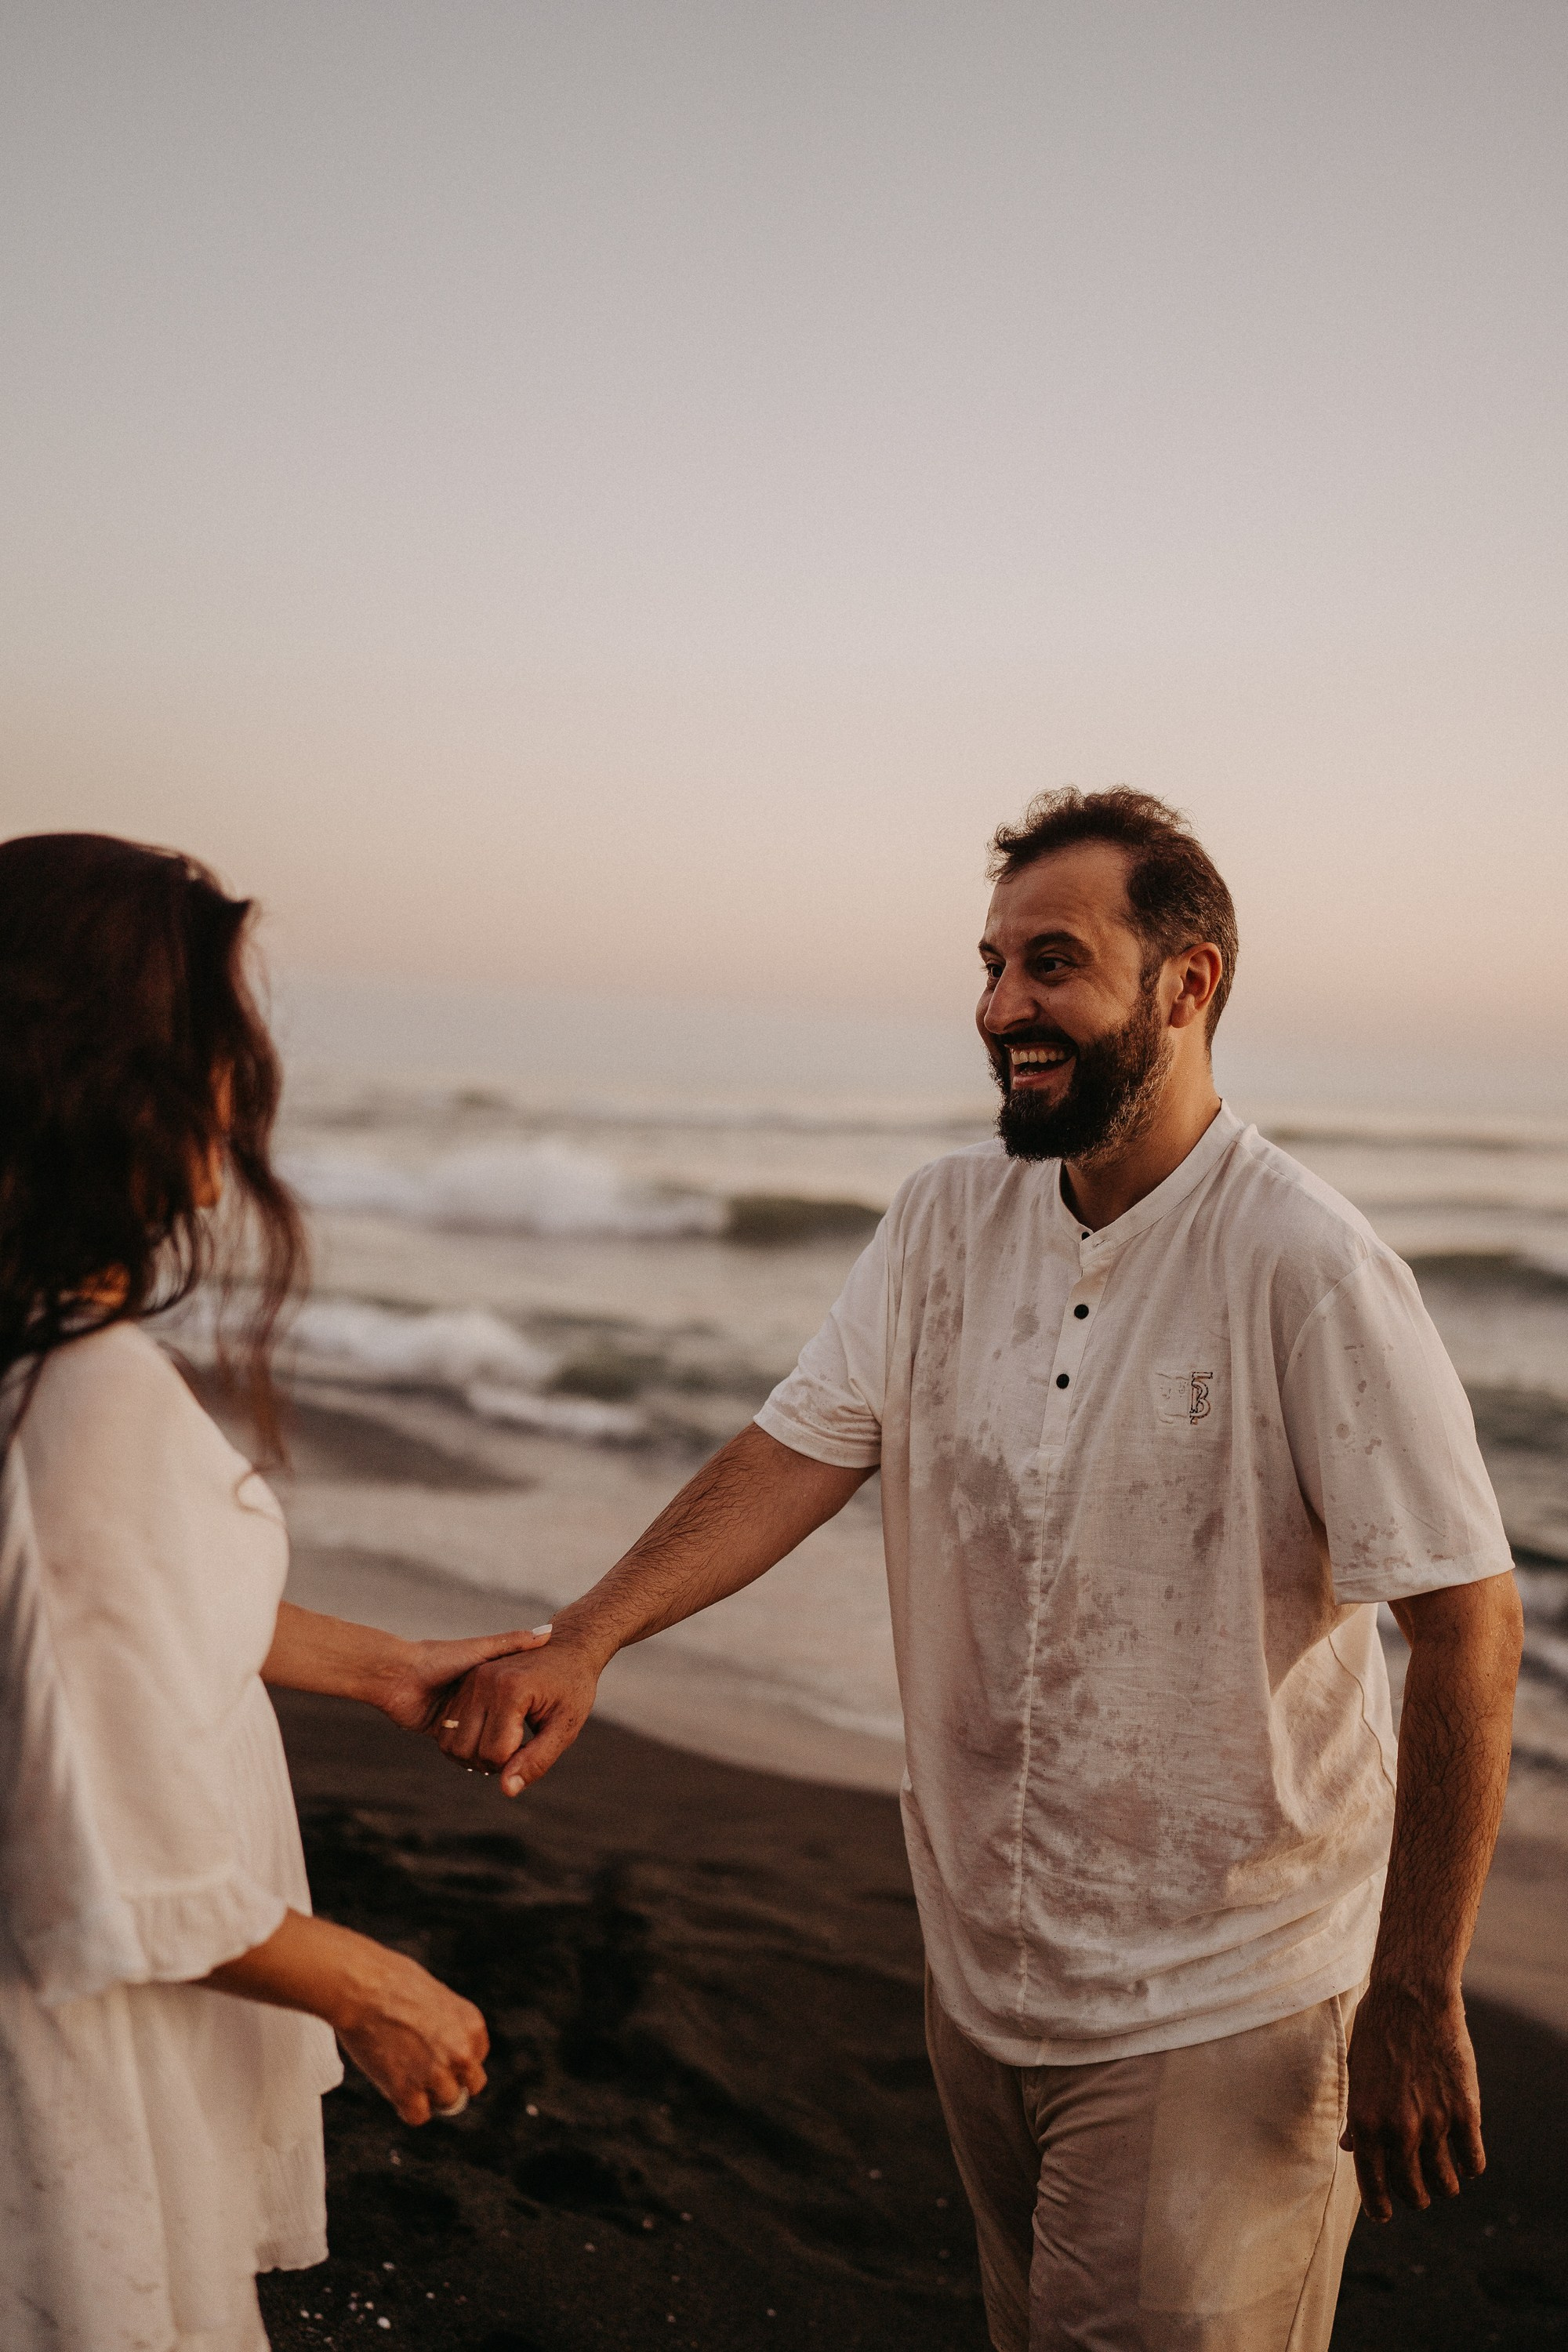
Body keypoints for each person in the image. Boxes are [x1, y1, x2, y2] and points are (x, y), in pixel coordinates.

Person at [434, 789, 1523, 2352]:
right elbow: (795, 1450)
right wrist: (586, 1638)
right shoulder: (945, 1219)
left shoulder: (1307, 1264)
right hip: (982, 1982)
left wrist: (1415, 1987)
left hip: (1224, 1995)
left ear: (1186, 982)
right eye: (993, 964)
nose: (1003, 1007)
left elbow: (1467, 1622)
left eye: (1053, 965)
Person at [0, 832, 552, 2352]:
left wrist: (378, 1666)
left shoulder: (30, 1348)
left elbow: (68, 1626)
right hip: (69, 2039)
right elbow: (109, 1853)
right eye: (223, 1037)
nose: (249, 1085)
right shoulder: (80, 1396)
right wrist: (370, 1986)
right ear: (126, 1077)